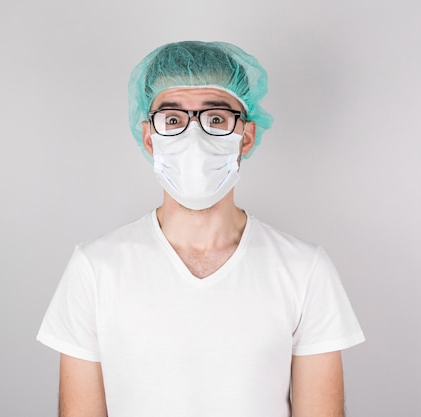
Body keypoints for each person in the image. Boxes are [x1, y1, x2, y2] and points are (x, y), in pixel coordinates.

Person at [37, 40, 365, 417]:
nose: (194, 138)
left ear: (246, 136)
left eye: (215, 119)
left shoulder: (304, 270)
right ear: (149, 137)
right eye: (173, 120)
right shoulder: (95, 269)